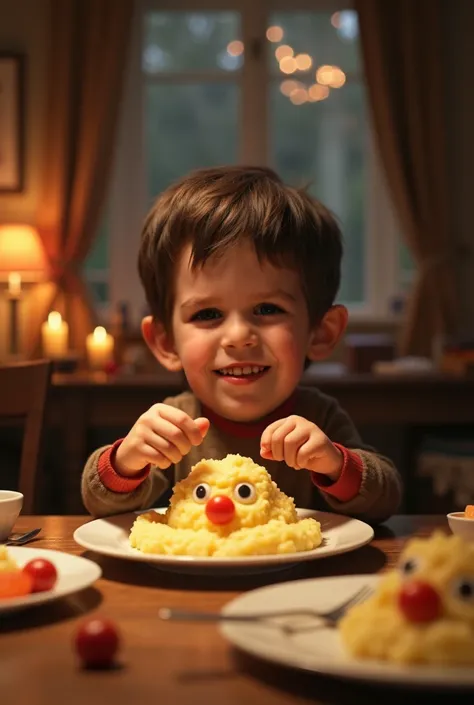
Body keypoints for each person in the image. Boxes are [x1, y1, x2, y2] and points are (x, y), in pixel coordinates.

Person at [82, 165, 402, 522]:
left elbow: (385, 497)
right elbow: (100, 502)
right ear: (166, 342)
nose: (238, 337)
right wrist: (126, 461)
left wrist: (334, 463)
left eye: (267, 309)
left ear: (321, 332)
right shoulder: (176, 423)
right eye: (207, 314)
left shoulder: (320, 419)